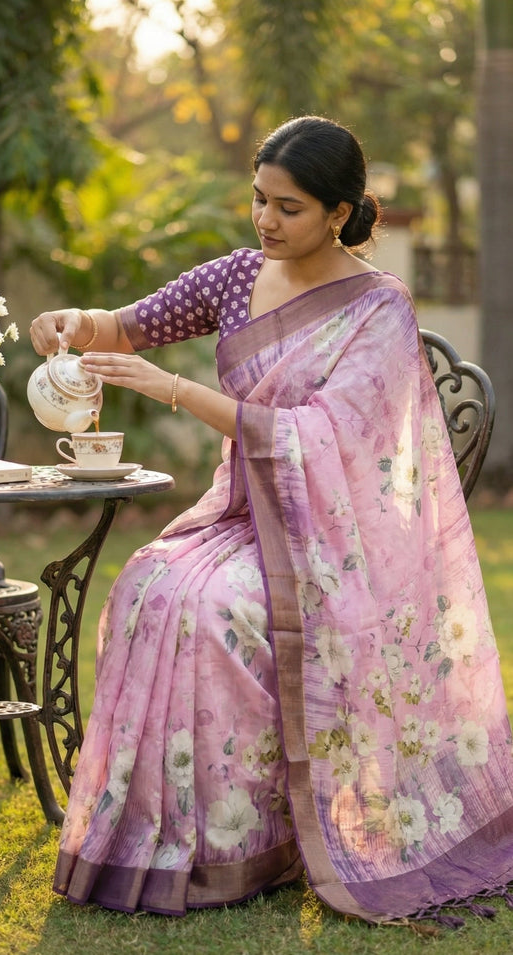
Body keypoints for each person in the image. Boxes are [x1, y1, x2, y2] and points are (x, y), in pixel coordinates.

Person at [30, 115, 513, 927]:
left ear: (339, 211)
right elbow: (128, 325)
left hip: (338, 543)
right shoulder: (234, 277)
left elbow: (321, 440)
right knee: (153, 582)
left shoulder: (376, 308)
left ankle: (259, 839)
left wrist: (173, 390)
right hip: (241, 517)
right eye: (258, 199)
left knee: (219, 608)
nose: (264, 220)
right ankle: (165, 837)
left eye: (287, 207)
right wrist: (76, 322)